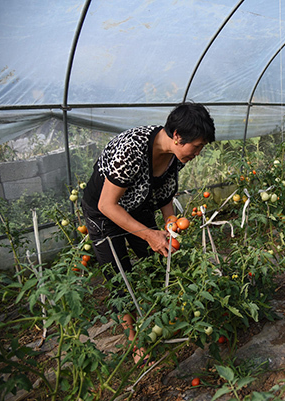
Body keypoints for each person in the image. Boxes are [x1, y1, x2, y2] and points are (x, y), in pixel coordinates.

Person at [81, 102, 215, 364]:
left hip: (138, 206)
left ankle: (160, 318)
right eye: (196, 146)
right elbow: (107, 205)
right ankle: (135, 341)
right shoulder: (131, 150)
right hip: (105, 214)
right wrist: (148, 234)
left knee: (156, 261)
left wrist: (169, 227)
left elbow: (165, 195)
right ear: (177, 136)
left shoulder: (175, 156)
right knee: (121, 277)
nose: (197, 152)